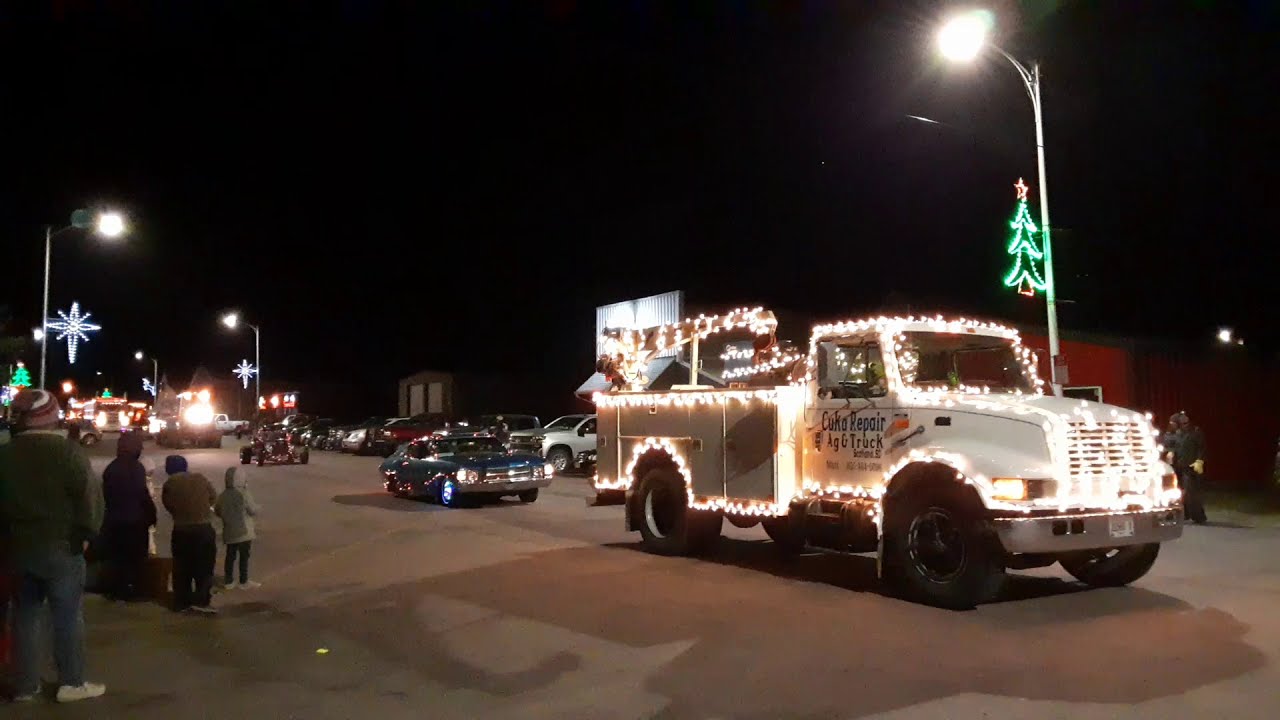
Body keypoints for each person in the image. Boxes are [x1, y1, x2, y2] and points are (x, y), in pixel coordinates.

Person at [0, 389, 106, 703]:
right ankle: (71, 682)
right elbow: (90, 499)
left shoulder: (5, 455)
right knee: (67, 616)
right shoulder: (68, 453)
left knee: (24, 615)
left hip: (18, 548)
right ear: (51, 417)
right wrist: (87, 534)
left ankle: (25, 685)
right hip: (63, 547)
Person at [101, 433, 157, 601]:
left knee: (118, 558)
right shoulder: (136, 467)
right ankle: (137, 591)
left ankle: (118, 590)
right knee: (137, 558)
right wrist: (151, 515)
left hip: (115, 521)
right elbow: (142, 495)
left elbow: (107, 496)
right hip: (135, 521)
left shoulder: (111, 468)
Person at [160, 456, 218, 614]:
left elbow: (168, 504)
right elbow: (213, 497)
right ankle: (202, 600)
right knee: (204, 567)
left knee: (182, 567)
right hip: (204, 529)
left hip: (182, 529)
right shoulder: (200, 478)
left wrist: (181, 514)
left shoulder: (169, 484)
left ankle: (182, 602)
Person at [215, 467, 261, 590]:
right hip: (244, 531)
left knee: (230, 556)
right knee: (244, 557)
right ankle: (243, 581)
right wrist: (258, 508)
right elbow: (252, 510)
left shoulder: (223, 495)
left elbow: (218, 511)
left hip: (229, 531)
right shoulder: (244, 493)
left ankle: (229, 581)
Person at [1169, 412, 1208, 525]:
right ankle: (1184, 515)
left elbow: (1202, 448)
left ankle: (1198, 516)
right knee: (1179, 492)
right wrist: (1170, 452)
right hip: (1178, 467)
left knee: (1191, 492)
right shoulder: (1177, 433)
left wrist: (1199, 460)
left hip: (1191, 467)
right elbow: (1172, 445)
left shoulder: (1195, 432)